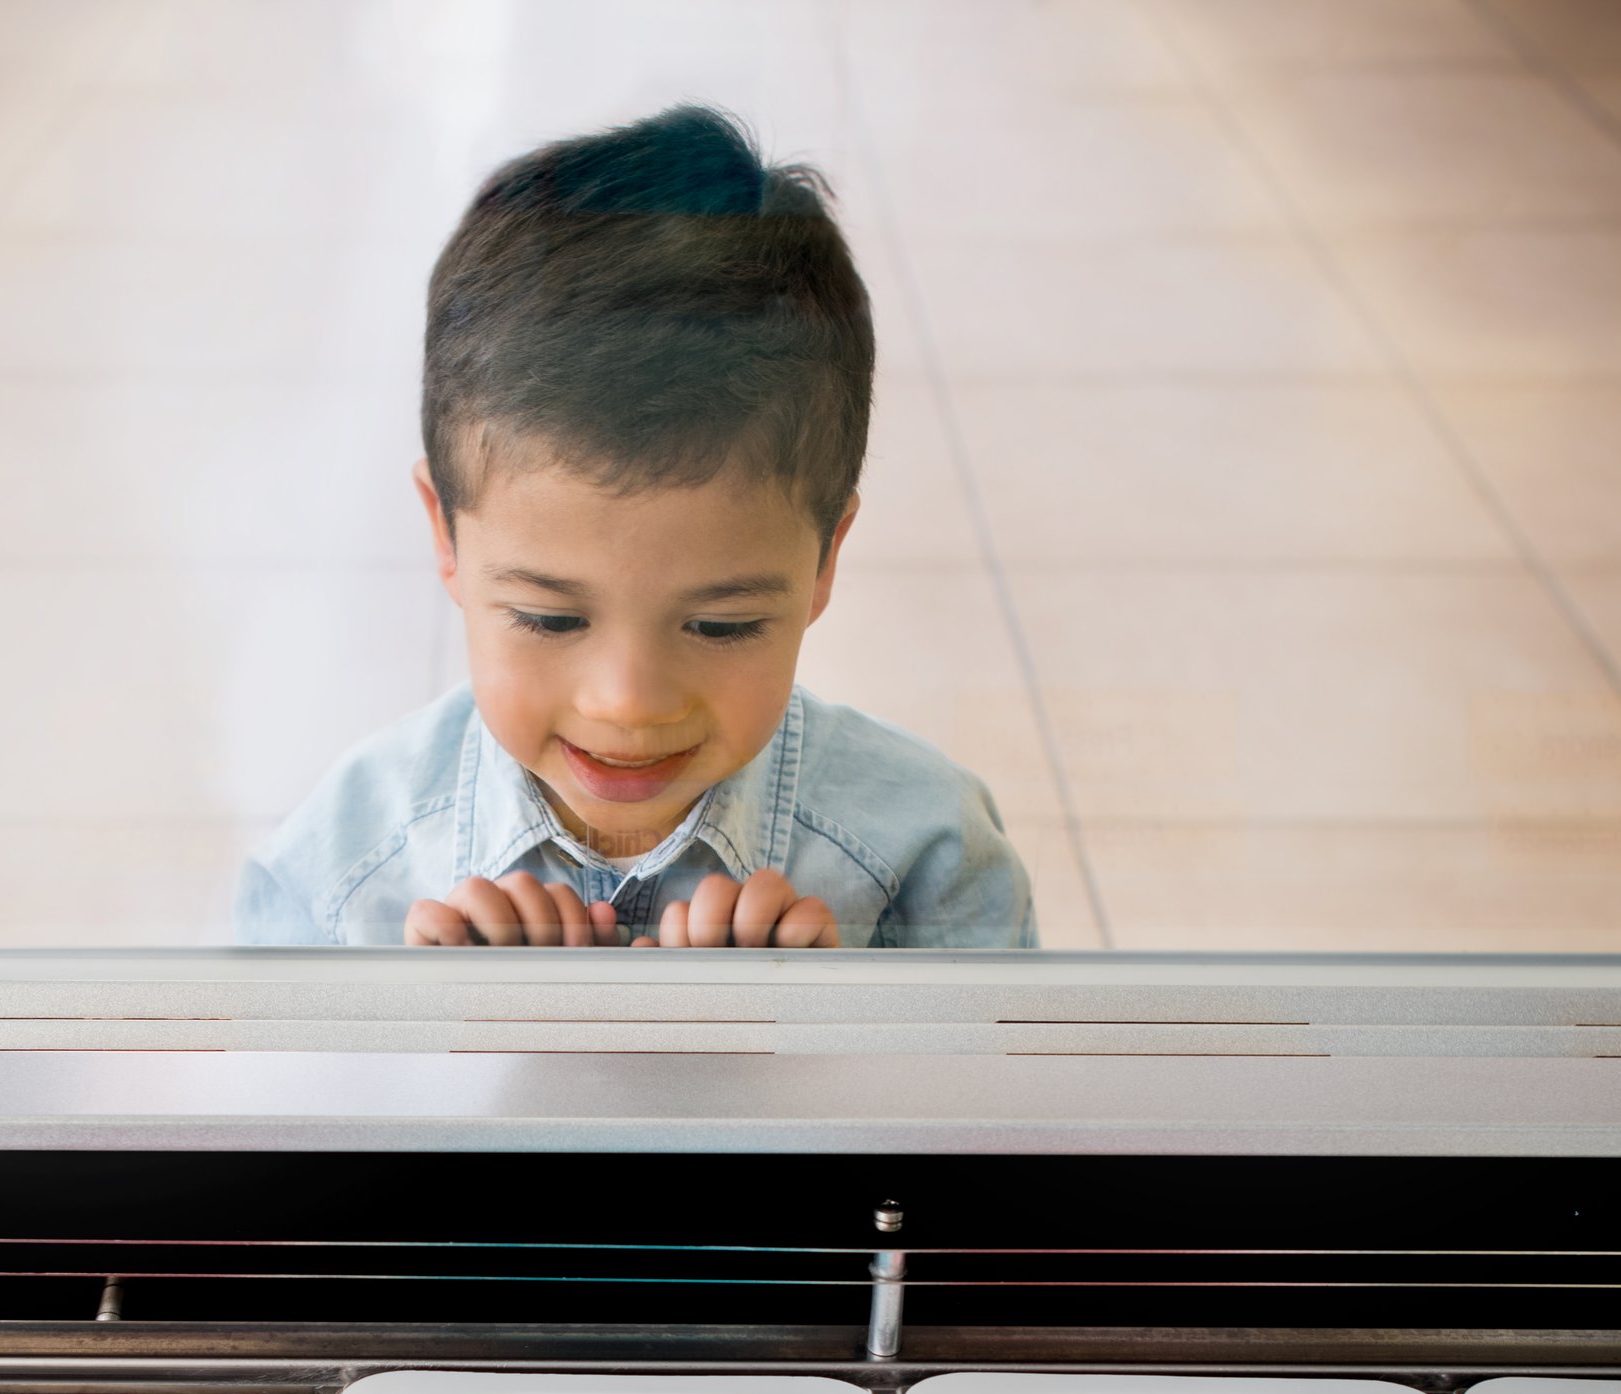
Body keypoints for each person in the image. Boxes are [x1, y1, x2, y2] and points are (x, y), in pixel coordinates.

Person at [238, 106, 1039, 950]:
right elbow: (267, 1084)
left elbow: (1010, 1086)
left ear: (826, 558)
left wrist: (813, 1057)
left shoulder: (928, 862)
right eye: (551, 618)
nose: (628, 703)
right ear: (446, 535)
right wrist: (445, 1061)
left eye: (719, 625)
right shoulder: (336, 879)